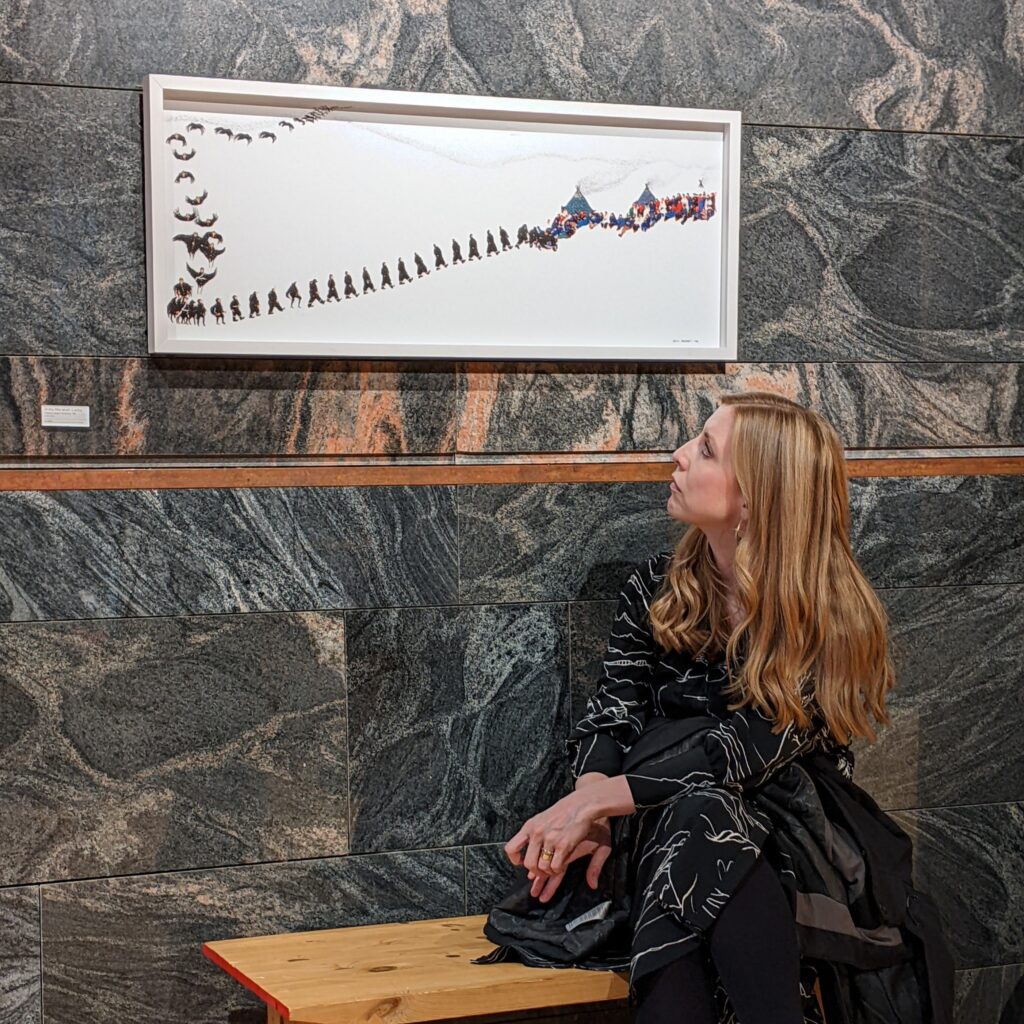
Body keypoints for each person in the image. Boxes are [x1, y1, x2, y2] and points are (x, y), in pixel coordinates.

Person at [484, 391, 951, 1024]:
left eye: (705, 449)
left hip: (788, 835)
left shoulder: (826, 616)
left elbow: (736, 754)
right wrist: (591, 803)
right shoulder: (653, 585)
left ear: (753, 500)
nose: (677, 456)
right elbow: (614, 712)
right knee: (700, 825)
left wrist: (593, 802)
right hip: (654, 819)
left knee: (708, 821)